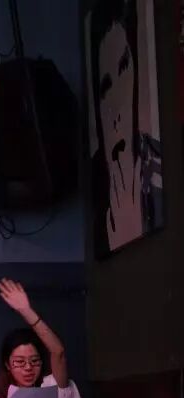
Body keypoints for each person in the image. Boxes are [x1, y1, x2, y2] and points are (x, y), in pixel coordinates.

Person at [88, 0, 162, 252]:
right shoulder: (97, 188)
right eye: (106, 86)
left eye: (124, 66)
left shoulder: (157, 165)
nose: (118, 96)